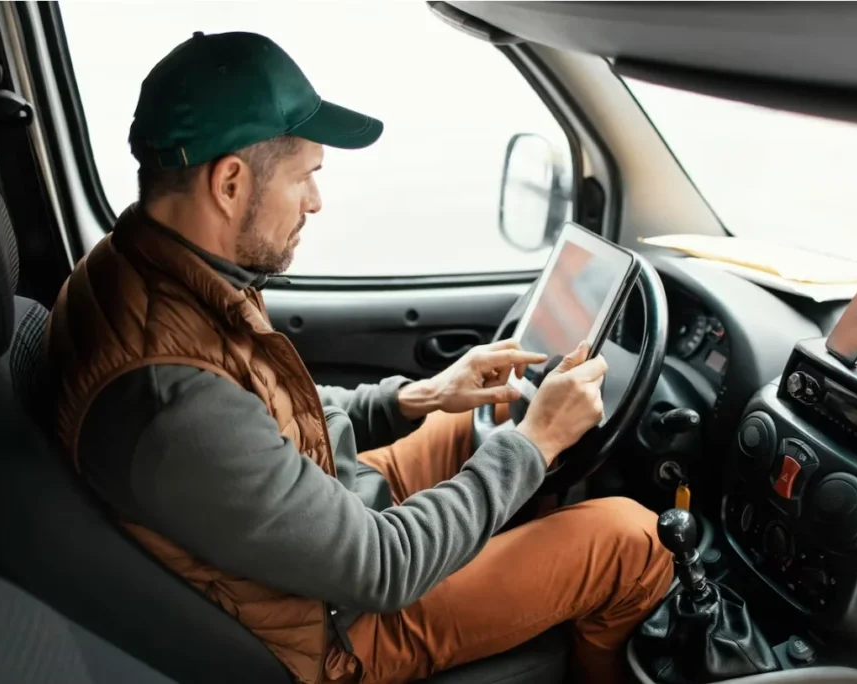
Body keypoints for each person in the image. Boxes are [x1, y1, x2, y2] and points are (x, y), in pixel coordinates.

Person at [42, 31, 672, 684]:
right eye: (305, 176)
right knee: (632, 541)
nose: (316, 201)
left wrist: (416, 398)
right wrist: (537, 444)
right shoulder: (169, 400)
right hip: (331, 628)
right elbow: (382, 567)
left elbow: (264, 418)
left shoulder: (148, 269)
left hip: (319, 533)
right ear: (230, 182)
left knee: (492, 412)